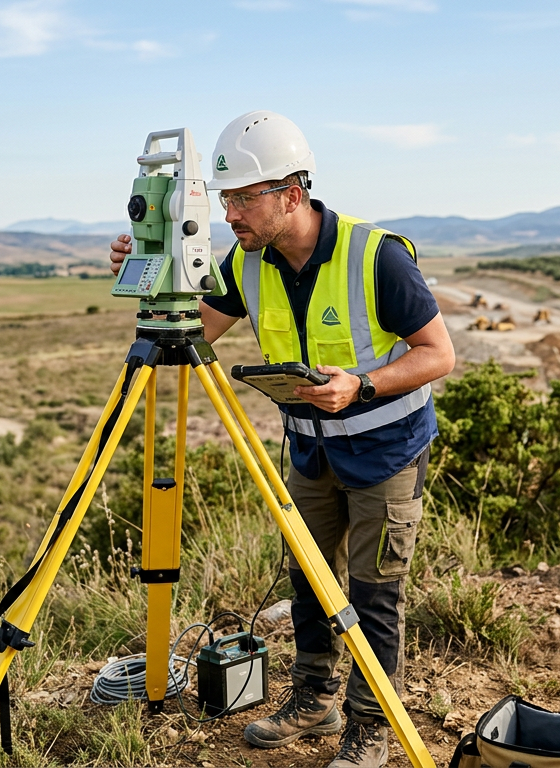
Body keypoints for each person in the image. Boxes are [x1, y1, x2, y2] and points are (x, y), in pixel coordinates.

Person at [111, 111, 454, 768]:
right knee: (308, 578)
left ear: (291, 195)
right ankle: (315, 697)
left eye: (243, 197)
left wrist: (362, 385)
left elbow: (438, 354)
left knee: (373, 593)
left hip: (385, 452)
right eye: (225, 199)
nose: (230, 214)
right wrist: (152, 270)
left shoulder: (374, 256)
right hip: (310, 449)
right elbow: (195, 331)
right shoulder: (248, 261)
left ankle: (371, 723)